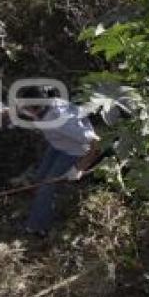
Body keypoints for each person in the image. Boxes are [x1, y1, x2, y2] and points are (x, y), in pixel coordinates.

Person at [9, 89, 102, 235]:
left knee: (46, 187)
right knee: (40, 178)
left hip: (74, 151)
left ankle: (37, 227)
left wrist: (79, 168)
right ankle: (39, 205)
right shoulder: (46, 105)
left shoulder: (62, 123)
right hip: (59, 144)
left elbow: (96, 144)